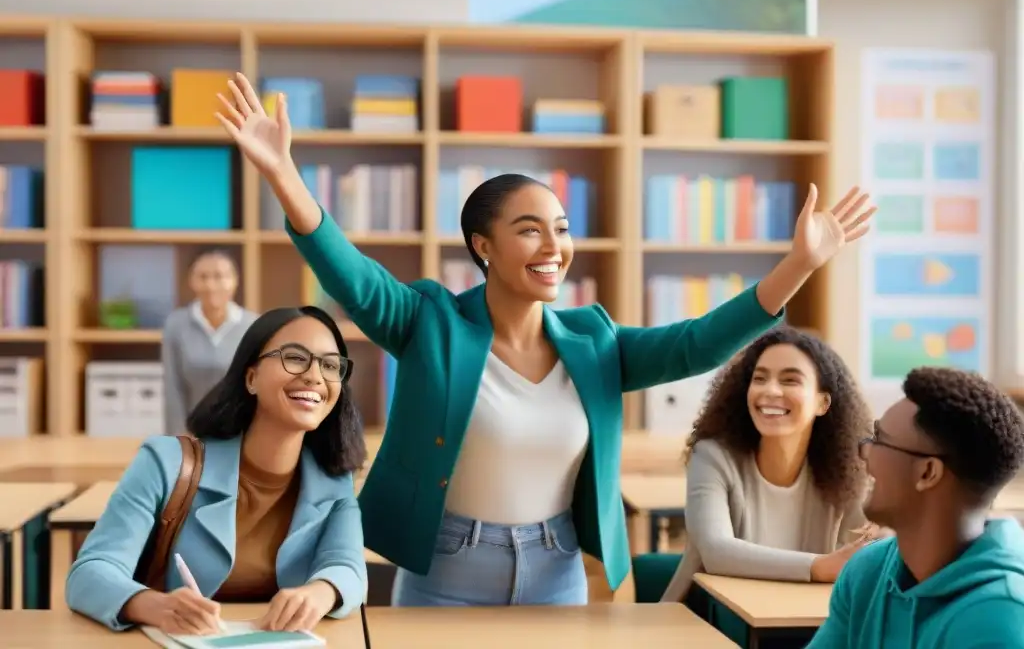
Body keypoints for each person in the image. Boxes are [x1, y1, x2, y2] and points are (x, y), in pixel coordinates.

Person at [215, 72, 876, 607]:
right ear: (484, 246)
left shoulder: (595, 341)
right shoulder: (429, 320)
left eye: (560, 228)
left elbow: (697, 344)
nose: (553, 246)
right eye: (529, 229)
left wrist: (800, 264)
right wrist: (282, 174)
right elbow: (351, 276)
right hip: (446, 572)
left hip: (556, 571)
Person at [66, 306, 368, 635]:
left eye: (329, 364)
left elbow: (349, 569)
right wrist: (154, 605)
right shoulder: (166, 462)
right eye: (295, 358)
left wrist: (320, 593)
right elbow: (89, 573)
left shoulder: (332, 478)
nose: (315, 376)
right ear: (251, 377)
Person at [650, 327, 875, 608]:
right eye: (759, 379)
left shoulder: (847, 470)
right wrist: (818, 566)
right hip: (709, 624)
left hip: (806, 624)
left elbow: (868, 558)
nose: (770, 390)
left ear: (822, 402)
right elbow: (716, 551)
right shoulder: (712, 456)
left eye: (790, 380)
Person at [809, 367, 1024, 649]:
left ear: (927, 473)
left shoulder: (998, 619)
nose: (866, 457)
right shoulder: (867, 572)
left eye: (879, 441)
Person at [162, 249, 258, 435]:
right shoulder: (176, 325)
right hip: (191, 434)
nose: (211, 285)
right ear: (191, 281)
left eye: (219, 276)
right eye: (203, 277)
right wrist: (180, 438)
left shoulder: (252, 325)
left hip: (241, 434)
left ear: (235, 281)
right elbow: (172, 388)